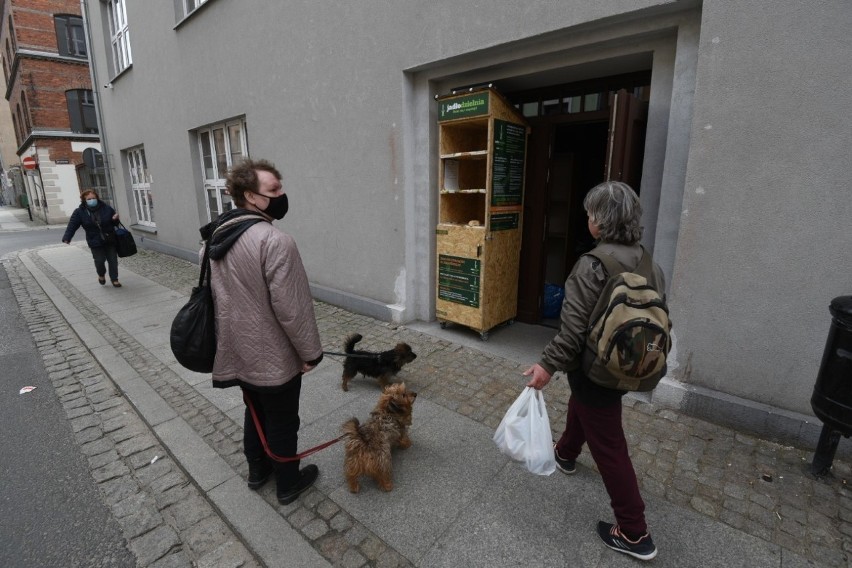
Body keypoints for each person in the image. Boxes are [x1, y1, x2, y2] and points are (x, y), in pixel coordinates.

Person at [523, 181, 665, 562]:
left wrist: (546, 366)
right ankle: (566, 452)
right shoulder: (650, 261)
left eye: (590, 214)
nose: (587, 219)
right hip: (629, 365)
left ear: (599, 223)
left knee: (610, 446)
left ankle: (635, 532)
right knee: (587, 405)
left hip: (596, 368)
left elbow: (571, 332)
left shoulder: (592, 266)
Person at [206, 158, 323, 505]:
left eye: (280, 187)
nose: (282, 195)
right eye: (274, 190)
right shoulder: (274, 241)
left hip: (235, 349)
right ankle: (288, 482)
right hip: (273, 353)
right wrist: (309, 353)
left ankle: (258, 472)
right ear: (250, 197)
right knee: (283, 419)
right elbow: (293, 309)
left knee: (254, 410)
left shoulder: (217, 235)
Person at [62, 190, 122, 287]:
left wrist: (115, 219)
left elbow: (114, 223)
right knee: (99, 260)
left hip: (109, 238)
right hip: (94, 239)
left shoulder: (106, 208)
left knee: (113, 260)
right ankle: (101, 274)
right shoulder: (79, 212)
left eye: (93, 198)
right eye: (89, 199)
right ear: (84, 200)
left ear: (97, 198)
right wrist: (67, 237)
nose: (92, 200)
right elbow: (72, 225)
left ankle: (114, 279)